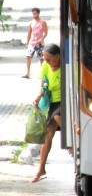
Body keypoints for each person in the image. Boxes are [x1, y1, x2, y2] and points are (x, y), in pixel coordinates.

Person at [30, 43, 61, 183]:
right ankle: (41, 168)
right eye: (45, 60)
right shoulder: (45, 66)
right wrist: (37, 97)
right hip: (53, 102)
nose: (47, 62)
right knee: (47, 135)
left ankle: (72, 144)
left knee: (57, 116)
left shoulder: (66, 67)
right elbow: (44, 84)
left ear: (58, 57)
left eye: (49, 60)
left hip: (65, 100)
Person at [23, 7, 48, 79]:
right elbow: (29, 32)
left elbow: (46, 33)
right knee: (28, 56)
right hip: (32, 42)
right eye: (33, 14)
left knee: (41, 58)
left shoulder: (43, 22)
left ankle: (43, 74)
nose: (34, 15)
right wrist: (27, 41)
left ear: (38, 13)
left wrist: (41, 39)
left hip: (39, 43)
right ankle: (28, 73)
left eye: (35, 13)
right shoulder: (32, 22)